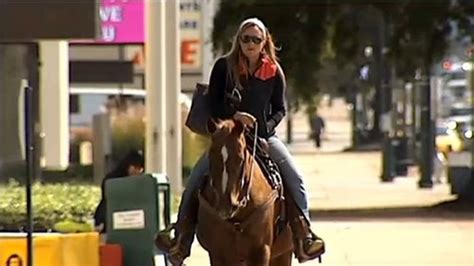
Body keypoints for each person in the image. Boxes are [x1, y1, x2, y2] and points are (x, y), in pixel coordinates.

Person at [155, 17, 325, 264]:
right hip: (227, 135)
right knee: (196, 178)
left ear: (264, 42)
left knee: (294, 176)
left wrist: (262, 127)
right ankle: (180, 237)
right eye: (245, 39)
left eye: (256, 39)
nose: (250, 44)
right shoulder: (224, 67)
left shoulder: (274, 72)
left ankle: (304, 236)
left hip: (264, 137)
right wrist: (235, 116)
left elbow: (279, 109)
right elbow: (213, 103)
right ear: (239, 41)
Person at [93, 149, 144, 233]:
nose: (137, 171)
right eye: (135, 167)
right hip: (107, 219)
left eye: (140, 169)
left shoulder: (138, 182)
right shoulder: (113, 179)